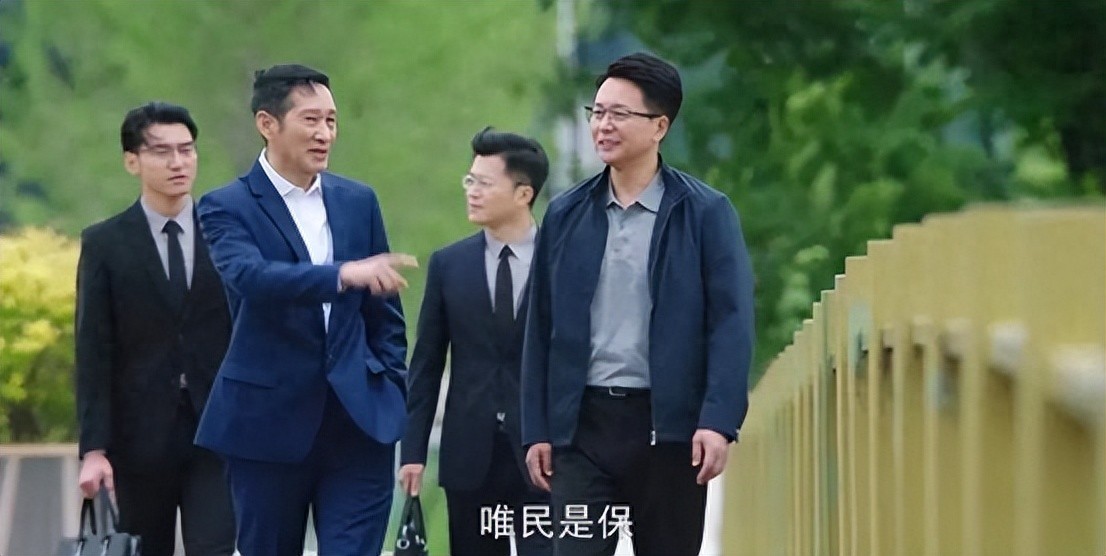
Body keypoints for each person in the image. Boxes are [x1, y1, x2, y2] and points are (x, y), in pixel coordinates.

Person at [520, 52, 756, 556]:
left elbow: (731, 324)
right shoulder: (565, 215)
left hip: (669, 429)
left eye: (619, 114)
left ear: (659, 126)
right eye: (597, 112)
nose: (603, 125)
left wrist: (717, 421)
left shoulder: (704, 214)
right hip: (582, 429)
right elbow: (539, 327)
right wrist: (536, 428)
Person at [194, 64, 417, 556]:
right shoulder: (225, 205)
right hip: (266, 424)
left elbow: (385, 317)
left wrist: (389, 382)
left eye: (331, 121)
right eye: (311, 120)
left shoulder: (358, 201)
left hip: (359, 422)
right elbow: (251, 277)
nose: (325, 133)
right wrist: (341, 275)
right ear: (267, 123)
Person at [75, 102, 236, 556]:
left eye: (187, 150)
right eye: (162, 152)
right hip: (138, 439)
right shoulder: (105, 243)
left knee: (216, 548)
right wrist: (94, 449)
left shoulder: (227, 234)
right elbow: (93, 349)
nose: (178, 162)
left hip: (217, 430)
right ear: (133, 161)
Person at [399, 127, 553, 556]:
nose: (471, 191)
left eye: (484, 183)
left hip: (545, 454)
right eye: (470, 180)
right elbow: (427, 364)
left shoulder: (560, 262)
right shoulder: (449, 265)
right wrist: (413, 451)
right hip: (470, 455)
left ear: (523, 194)